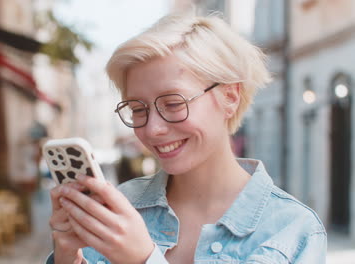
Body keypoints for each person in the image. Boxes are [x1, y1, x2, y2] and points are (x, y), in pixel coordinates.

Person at [46, 11, 327, 264]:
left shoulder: (292, 231)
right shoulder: (119, 208)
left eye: (173, 103)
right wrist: (68, 258)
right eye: (137, 109)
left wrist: (143, 260)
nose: (152, 128)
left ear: (229, 96)